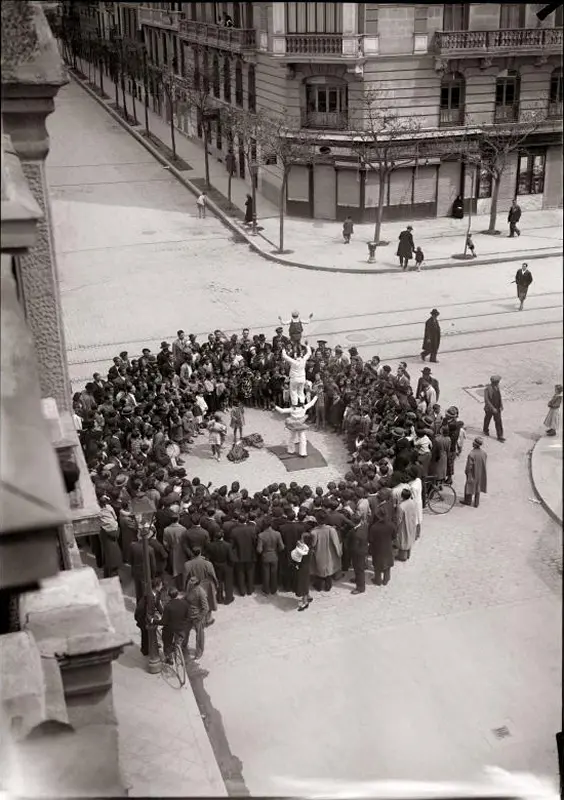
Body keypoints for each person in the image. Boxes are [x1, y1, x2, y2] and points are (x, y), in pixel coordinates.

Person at [183, 546, 218, 626]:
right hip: (206, 584)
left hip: (194, 585)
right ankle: (208, 619)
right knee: (208, 601)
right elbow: (213, 575)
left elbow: (184, 577)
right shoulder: (208, 563)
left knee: (196, 603)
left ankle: (198, 620)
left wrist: (184, 586)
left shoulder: (187, 564)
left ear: (192, 553)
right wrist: (216, 583)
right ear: (200, 553)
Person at [310, 509, 342, 591]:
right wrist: (339, 553)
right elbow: (336, 543)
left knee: (319, 571)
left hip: (319, 554)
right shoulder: (332, 530)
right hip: (329, 554)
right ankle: (328, 587)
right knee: (328, 572)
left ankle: (319, 586)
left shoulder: (314, 532)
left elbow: (313, 544)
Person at [369, 490, 395, 586]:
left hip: (377, 546)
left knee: (377, 564)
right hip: (387, 545)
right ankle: (386, 579)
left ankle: (378, 580)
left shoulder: (374, 527)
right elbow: (394, 536)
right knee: (387, 563)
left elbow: (370, 539)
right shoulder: (391, 525)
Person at [160, 586, 190, 661]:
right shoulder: (185, 603)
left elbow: (163, 622)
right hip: (181, 628)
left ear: (169, 596)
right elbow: (188, 616)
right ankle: (177, 645)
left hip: (171, 629)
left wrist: (154, 621)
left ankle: (168, 656)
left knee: (165, 637)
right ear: (177, 594)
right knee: (181, 635)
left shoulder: (168, 606)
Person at [256, 516, 284, 595]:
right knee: (274, 573)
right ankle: (273, 589)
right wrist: (276, 551)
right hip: (274, 555)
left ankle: (266, 589)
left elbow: (259, 550)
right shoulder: (277, 534)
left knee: (266, 574)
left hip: (265, 556)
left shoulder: (261, 535)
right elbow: (282, 547)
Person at [206, 530, 235, 604]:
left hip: (216, 565)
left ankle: (219, 598)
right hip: (226, 566)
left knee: (218, 582)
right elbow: (231, 558)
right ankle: (228, 598)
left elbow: (208, 557)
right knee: (228, 582)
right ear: (223, 536)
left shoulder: (210, 545)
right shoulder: (228, 545)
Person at [183, 577, 209, 659]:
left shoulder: (201, 592)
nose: (189, 582)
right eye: (190, 580)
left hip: (197, 617)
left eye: (191, 581)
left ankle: (199, 651)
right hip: (188, 615)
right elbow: (186, 597)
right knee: (185, 632)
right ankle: (183, 647)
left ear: (196, 583)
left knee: (199, 636)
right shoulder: (189, 588)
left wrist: (200, 617)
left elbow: (206, 607)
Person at [163, 511, 190, 590]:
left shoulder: (166, 530)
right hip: (182, 550)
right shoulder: (183, 529)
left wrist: (169, 548)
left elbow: (165, 543)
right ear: (178, 519)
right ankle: (183, 585)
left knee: (175, 569)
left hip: (173, 550)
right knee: (183, 568)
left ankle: (178, 586)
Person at [98, 495, 123, 578]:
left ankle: (108, 573)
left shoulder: (98, 512)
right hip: (114, 529)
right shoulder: (109, 507)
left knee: (107, 555)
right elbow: (115, 517)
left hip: (106, 532)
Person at [460, 437, 488, 507]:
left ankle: (468, 501)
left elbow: (469, 466)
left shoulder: (471, 454)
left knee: (469, 485)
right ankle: (476, 503)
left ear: (475, 444)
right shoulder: (484, 453)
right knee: (478, 487)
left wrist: (467, 472)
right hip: (480, 473)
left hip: (472, 473)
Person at [291, 531, 314, 611]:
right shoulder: (309, 547)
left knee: (302, 583)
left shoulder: (304, 550)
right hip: (306, 567)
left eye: (302, 538)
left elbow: (297, 557)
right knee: (305, 581)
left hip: (302, 567)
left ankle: (305, 603)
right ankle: (308, 596)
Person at [348, 513, 369, 595]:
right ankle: (357, 579)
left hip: (358, 553)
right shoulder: (364, 526)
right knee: (358, 568)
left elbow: (354, 546)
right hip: (363, 550)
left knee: (359, 569)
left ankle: (360, 587)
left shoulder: (355, 533)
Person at [396, 487, 418, 561]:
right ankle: (408, 554)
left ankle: (403, 557)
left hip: (404, 525)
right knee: (409, 537)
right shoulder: (413, 502)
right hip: (411, 522)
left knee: (403, 539)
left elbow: (399, 519)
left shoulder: (401, 506)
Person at [483, 375, 505, 442]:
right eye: (497, 381)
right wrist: (492, 408)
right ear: (494, 382)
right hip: (489, 409)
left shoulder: (497, 387)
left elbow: (499, 397)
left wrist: (501, 405)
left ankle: (500, 436)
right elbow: (486, 400)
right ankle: (485, 430)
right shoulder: (487, 389)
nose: (498, 383)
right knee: (487, 419)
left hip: (497, 408)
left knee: (498, 422)